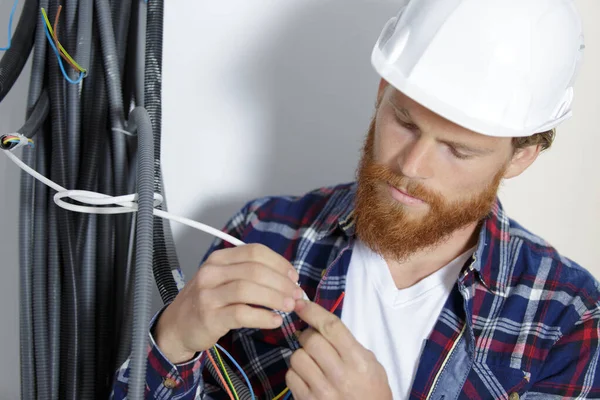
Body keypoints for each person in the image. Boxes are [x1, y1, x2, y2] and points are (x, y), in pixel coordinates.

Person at [112, 0, 600, 398]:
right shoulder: (263, 234)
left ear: (520, 158)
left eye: (458, 151)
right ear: (383, 90)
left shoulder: (564, 316)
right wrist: (172, 343)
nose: (411, 167)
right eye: (404, 122)